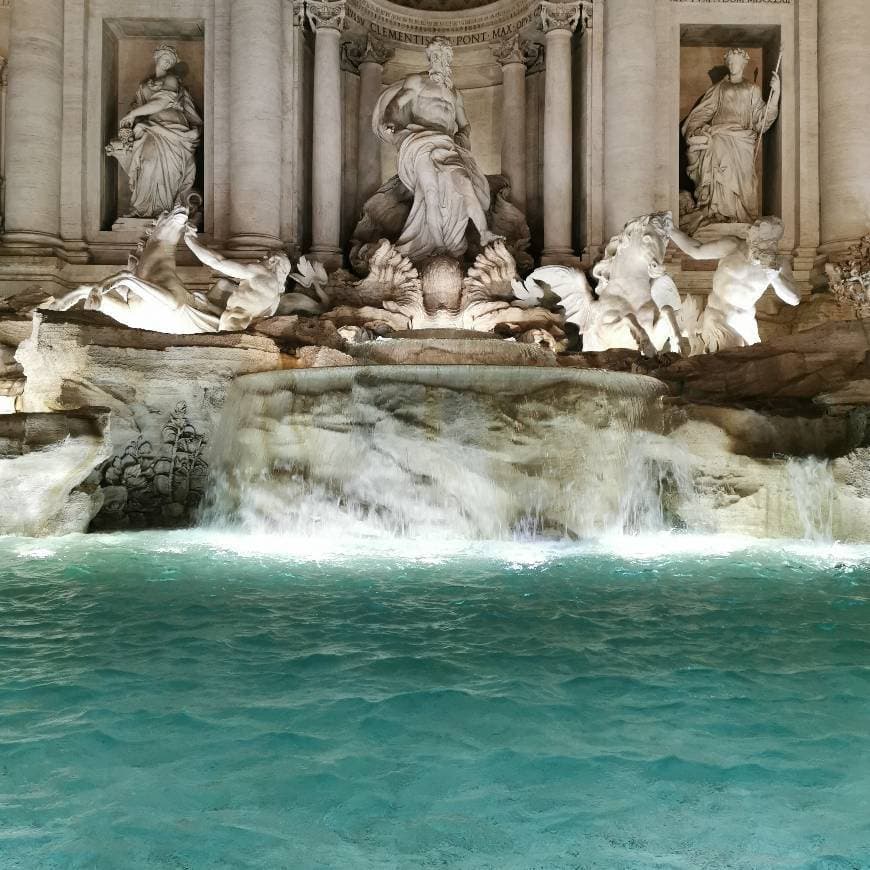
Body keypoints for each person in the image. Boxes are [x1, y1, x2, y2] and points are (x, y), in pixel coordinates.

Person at [373, 37, 501, 261]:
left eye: (443, 57)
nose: (438, 61)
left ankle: (484, 233)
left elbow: (464, 124)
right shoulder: (417, 82)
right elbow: (396, 106)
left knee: (464, 183)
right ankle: (441, 250)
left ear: (449, 60)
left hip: (446, 144)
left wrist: (463, 136)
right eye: (434, 56)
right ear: (429, 58)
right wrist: (392, 120)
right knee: (430, 193)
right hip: (420, 141)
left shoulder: (455, 93)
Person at [681, 48, 780, 233]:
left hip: (743, 140)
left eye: (737, 62)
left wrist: (775, 95)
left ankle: (740, 215)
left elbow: (762, 120)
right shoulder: (719, 88)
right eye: (731, 62)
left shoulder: (752, 89)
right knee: (718, 159)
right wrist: (694, 130)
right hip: (719, 135)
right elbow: (704, 111)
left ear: (744, 64)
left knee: (744, 180)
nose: (733, 66)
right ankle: (718, 212)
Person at [669, 217, 799, 351]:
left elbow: (794, 299)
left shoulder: (778, 263)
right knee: (728, 361)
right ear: (752, 236)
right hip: (717, 316)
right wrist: (671, 230)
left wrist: (775, 277)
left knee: (748, 365)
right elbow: (696, 250)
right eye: (762, 241)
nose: (767, 247)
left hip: (744, 321)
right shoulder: (732, 246)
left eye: (771, 243)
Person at [114, 44, 202, 218]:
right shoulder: (144, 86)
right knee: (147, 163)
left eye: (171, 60)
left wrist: (133, 114)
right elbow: (138, 110)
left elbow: (161, 103)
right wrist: (129, 125)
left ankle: (167, 211)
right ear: (156, 57)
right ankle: (142, 209)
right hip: (150, 130)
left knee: (170, 172)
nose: (167, 62)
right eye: (165, 58)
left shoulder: (171, 80)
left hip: (173, 130)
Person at [184, 227, 291, 332]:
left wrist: (190, 240)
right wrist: (209, 306)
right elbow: (241, 317)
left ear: (273, 261)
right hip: (233, 327)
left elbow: (217, 262)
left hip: (228, 326)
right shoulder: (275, 299)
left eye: (265, 258)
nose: (260, 260)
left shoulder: (261, 272)